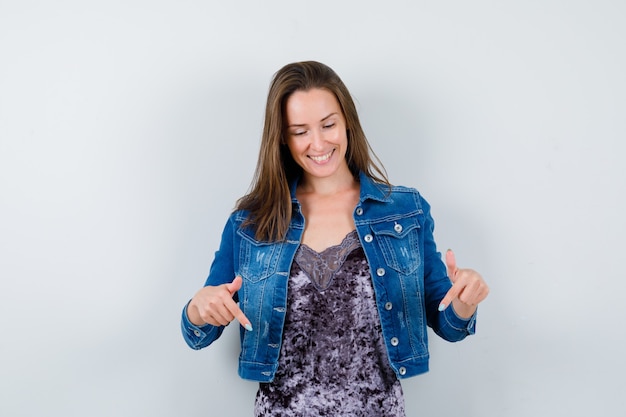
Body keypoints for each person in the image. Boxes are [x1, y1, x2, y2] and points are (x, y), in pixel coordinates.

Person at [181, 61, 489, 416]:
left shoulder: (405, 211)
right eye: (300, 131)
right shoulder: (250, 224)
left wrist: (466, 301)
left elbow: (449, 324)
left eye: (328, 124)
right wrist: (199, 308)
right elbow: (197, 332)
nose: (318, 143)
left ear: (346, 122)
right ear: (282, 136)